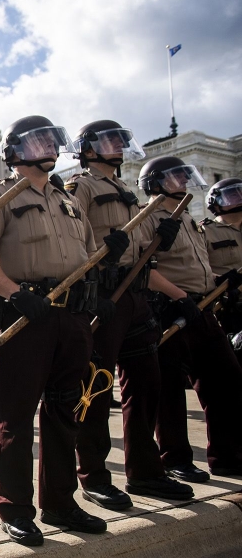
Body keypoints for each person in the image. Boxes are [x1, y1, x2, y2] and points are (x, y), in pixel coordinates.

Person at [0, 115, 119, 547]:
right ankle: (15, 508)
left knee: (64, 413)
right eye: (37, 142)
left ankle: (60, 502)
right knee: (14, 418)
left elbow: (89, 256)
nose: (48, 147)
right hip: (26, 315)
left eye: (52, 140)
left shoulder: (68, 201)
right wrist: (15, 295)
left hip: (70, 319)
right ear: (14, 151)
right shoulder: (0, 196)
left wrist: (108, 264)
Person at [65, 121, 193, 510]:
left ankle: (145, 470)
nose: (118, 146)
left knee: (147, 383)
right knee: (97, 388)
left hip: (136, 294)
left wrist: (156, 243)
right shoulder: (78, 186)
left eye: (120, 140)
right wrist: (91, 287)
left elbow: (140, 255)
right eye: (109, 141)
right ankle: (94, 476)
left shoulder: (128, 191)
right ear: (88, 148)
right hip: (105, 293)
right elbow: (71, 242)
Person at [137, 157, 242, 481]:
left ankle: (226, 456)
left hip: (203, 309)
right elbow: (143, 268)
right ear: (155, 183)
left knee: (227, 383)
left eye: (185, 176)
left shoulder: (190, 219)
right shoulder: (148, 217)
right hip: (170, 310)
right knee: (169, 391)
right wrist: (179, 297)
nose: (183, 181)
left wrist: (222, 280)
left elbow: (198, 266)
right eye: (175, 177)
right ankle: (175, 459)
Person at [201, 178, 242, 362]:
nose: (240, 198)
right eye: (232, 195)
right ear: (216, 202)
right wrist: (219, 280)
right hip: (228, 309)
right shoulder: (204, 231)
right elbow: (195, 268)